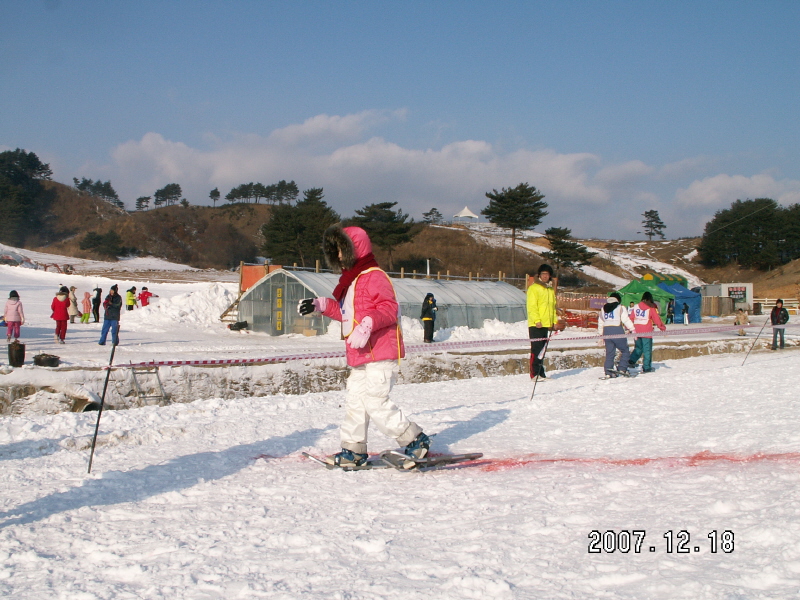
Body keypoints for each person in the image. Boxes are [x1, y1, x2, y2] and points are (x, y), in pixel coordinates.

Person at [296, 224, 430, 468]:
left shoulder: (375, 276)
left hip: (380, 352)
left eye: (341, 250)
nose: (337, 256)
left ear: (353, 249)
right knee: (355, 401)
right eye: (335, 251)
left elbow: (388, 309)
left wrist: (368, 324)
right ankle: (353, 450)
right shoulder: (350, 282)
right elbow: (347, 314)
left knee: (375, 401)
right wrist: (320, 305)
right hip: (359, 354)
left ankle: (416, 440)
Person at [526, 264, 563, 380]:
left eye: (547, 274)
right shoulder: (534, 288)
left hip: (546, 324)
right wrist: (537, 320)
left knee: (542, 350)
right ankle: (534, 373)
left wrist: (554, 322)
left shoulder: (550, 290)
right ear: (539, 275)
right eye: (543, 274)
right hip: (536, 324)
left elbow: (552, 308)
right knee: (536, 349)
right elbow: (532, 306)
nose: (545, 276)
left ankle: (541, 373)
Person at [597, 291, 634, 378]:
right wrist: (633, 329)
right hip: (617, 330)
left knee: (610, 353)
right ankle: (622, 368)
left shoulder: (603, 308)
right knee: (625, 350)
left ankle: (608, 371)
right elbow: (625, 320)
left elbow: (600, 323)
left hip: (606, 331)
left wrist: (600, 336)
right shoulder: (620, 307)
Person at [628, 291, 666, 373]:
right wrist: (662, 327)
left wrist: (630, 328)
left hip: (636, 330)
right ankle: (646, 367)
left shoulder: (636, 306)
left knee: (638, 348)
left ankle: (631, 361)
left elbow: (631, 318)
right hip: (647, 331)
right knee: (647, 350)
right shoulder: (651, 307)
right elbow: (656, 319)